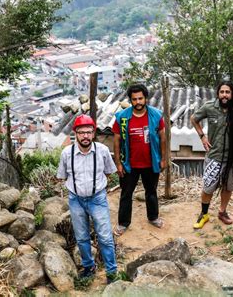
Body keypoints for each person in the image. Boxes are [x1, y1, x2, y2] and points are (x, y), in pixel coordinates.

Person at [57, 114, 118, 283]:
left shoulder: (102, 151)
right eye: (81, 132)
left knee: (105, 236)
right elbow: (61, 176)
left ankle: (112, 272)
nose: (85, 136)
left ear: (93, 133)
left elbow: (108, 172)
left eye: (89, 132)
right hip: (75, 199)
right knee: (82, 237)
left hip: (97, 198)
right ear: (75, 133)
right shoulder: (66, 153)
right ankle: (89, 267)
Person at [191, 80, 233, 229]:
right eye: (222, 92)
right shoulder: (210, 107)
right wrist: (202, 136)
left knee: (228, 187)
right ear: (218, 94)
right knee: (208, 187)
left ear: (232, 94)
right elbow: (194, 119)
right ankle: (204, 214)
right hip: (214, 156)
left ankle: (222, 212)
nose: (224, 95)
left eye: (227, 92)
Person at [112, 83, 166, 235]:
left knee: (151, 191)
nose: (138, 102)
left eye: (140, 98)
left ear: (146, 98)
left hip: (151, 162)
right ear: (130, 100)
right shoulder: (122, 117)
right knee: (126, 194)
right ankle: (123, 223)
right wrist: (118, 163)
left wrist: (163, 159)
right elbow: (116, 141)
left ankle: (153, 217)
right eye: (134, 99)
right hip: (129, 164)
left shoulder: (156, 115)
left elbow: (163, 138)